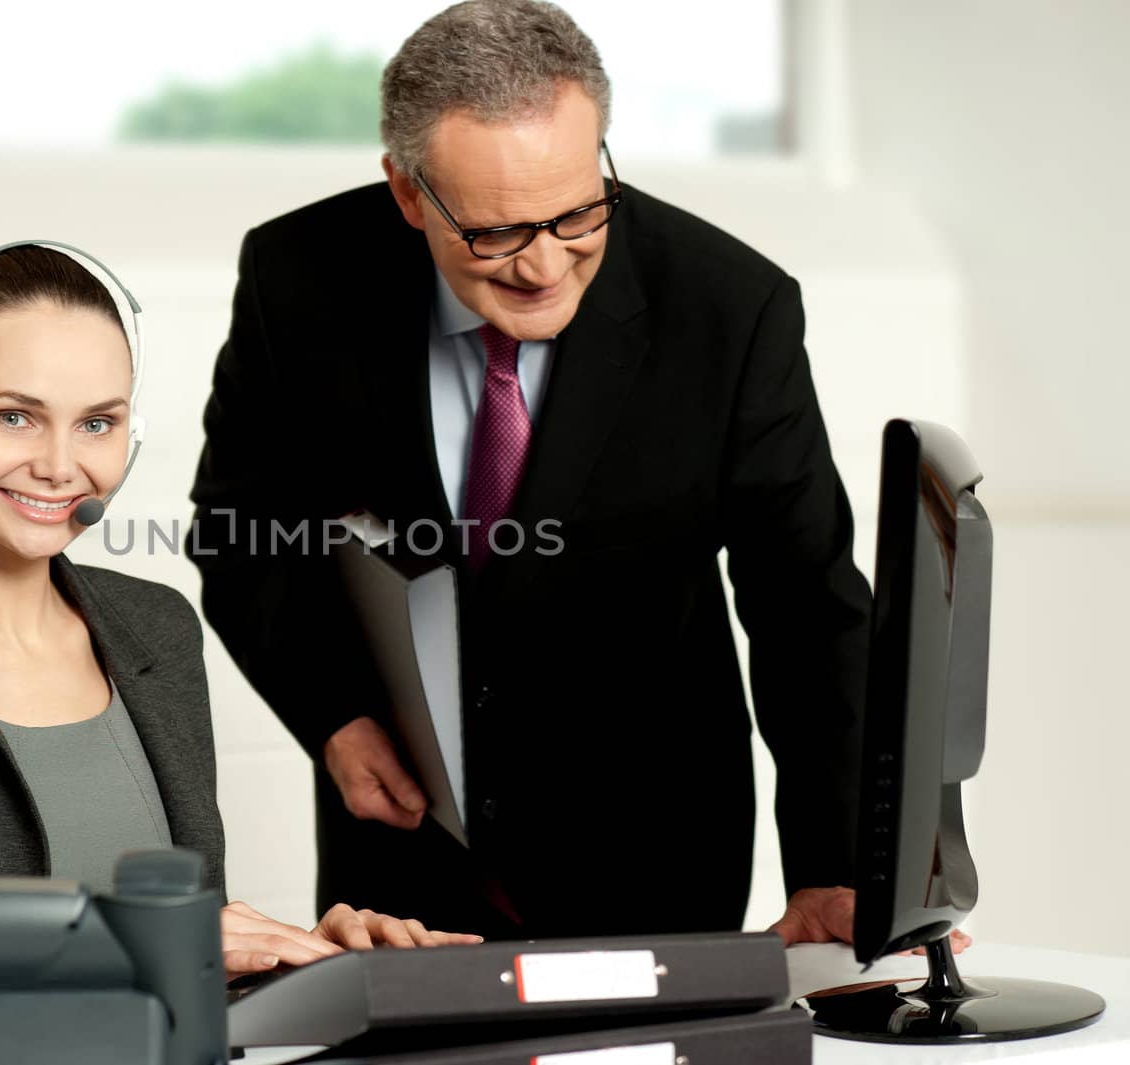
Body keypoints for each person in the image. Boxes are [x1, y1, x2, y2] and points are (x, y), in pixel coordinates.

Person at [187, 0, 879, 948]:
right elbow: (239, 530)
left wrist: (838, 867)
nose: (547, 265)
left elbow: (807, 604)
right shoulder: (296, 278)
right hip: (399, 868)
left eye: (579, 211)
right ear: (407, 192)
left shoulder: (730, 308)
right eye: (497, 234)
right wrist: (335, 718)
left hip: (653, 858)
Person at [0, 241, 478, 1023]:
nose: (58, 464)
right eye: (15, 416)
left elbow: (180, 984)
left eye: (96, 423)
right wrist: (145, 947)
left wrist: (307, 964)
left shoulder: (155, 630)